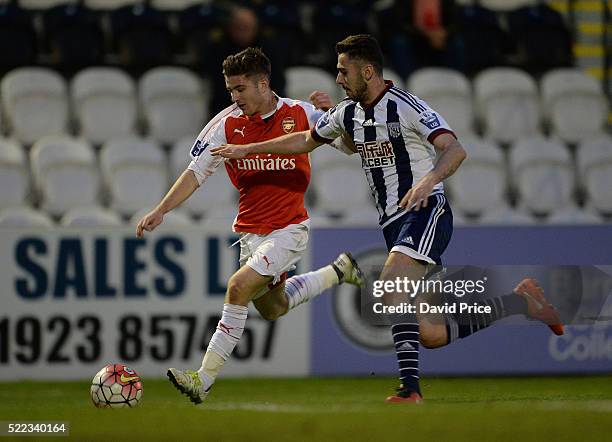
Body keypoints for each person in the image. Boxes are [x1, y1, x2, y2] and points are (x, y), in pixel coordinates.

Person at [211, 34, 564, 404]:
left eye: (343, 71)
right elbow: (307, 140)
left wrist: (429, 181)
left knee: (392, 282)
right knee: (430, 333)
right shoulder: (347, 112)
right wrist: (248, 148)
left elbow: (454, 149)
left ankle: (409, 390)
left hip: (425, 211)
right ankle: (522, 302)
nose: (338, 78)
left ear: (367, 71)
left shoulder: (407, 106)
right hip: (393, 223)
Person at [135, 47, 364, 404]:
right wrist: (162, 210)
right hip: (250, 233)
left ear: (263, 83)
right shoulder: (225, 124)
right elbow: (196, 172)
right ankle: (338, 271)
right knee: (274, 309)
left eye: (240, 89)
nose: (234, 97)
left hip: (289, 228)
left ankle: (203, 380)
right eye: (230, 90)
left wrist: (329, 114)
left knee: (238, 288)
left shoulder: (300, 113)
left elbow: (350, 148)